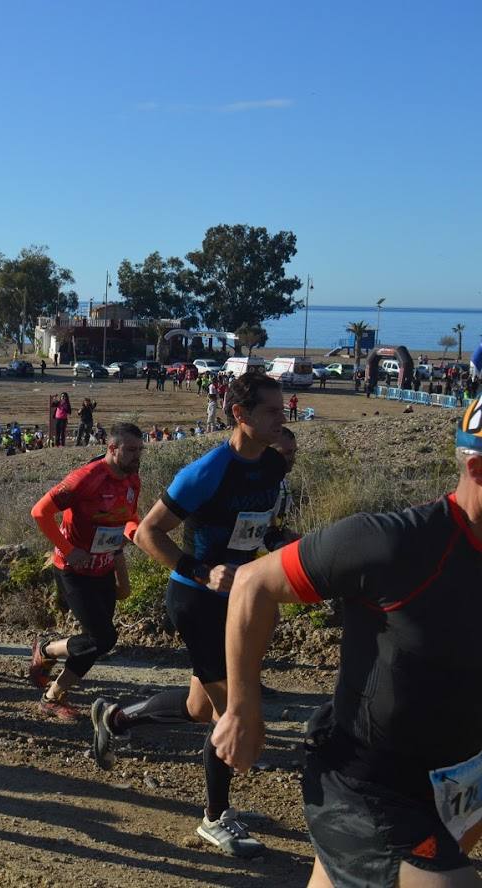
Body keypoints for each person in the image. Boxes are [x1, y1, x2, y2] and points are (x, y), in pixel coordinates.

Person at [213, 395, 482, 887]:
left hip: (455, 779)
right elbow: (253, 583)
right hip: (365, 783)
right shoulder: (395, 544)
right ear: (478, 470)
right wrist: (241, 707)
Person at [89, 372, 289, 858]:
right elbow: (147, 534)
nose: (283, 418)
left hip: (240, 599)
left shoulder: (275, 465)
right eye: (272, 411)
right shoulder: (207, 471)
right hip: (196, 600)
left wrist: (287, 552)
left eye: (284, 410)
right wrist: (201, 571)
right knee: (233, 709)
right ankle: (215, 818)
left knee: (202, 708)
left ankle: (116, 719)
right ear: (240, 415)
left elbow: (259, 528)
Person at [29, 423, 142, 720]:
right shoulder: (85, 478)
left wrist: (140, 536)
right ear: (112, 449)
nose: (136, 457)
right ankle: (48, 662)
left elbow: (125, 523)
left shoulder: (132, 481)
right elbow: (40, 512)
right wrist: (68, 549)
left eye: (139, 450)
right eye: (130, 450)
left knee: (96, 642)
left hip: (103, 569)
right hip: (72, 570)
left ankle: (51, 681)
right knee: (102, 638)